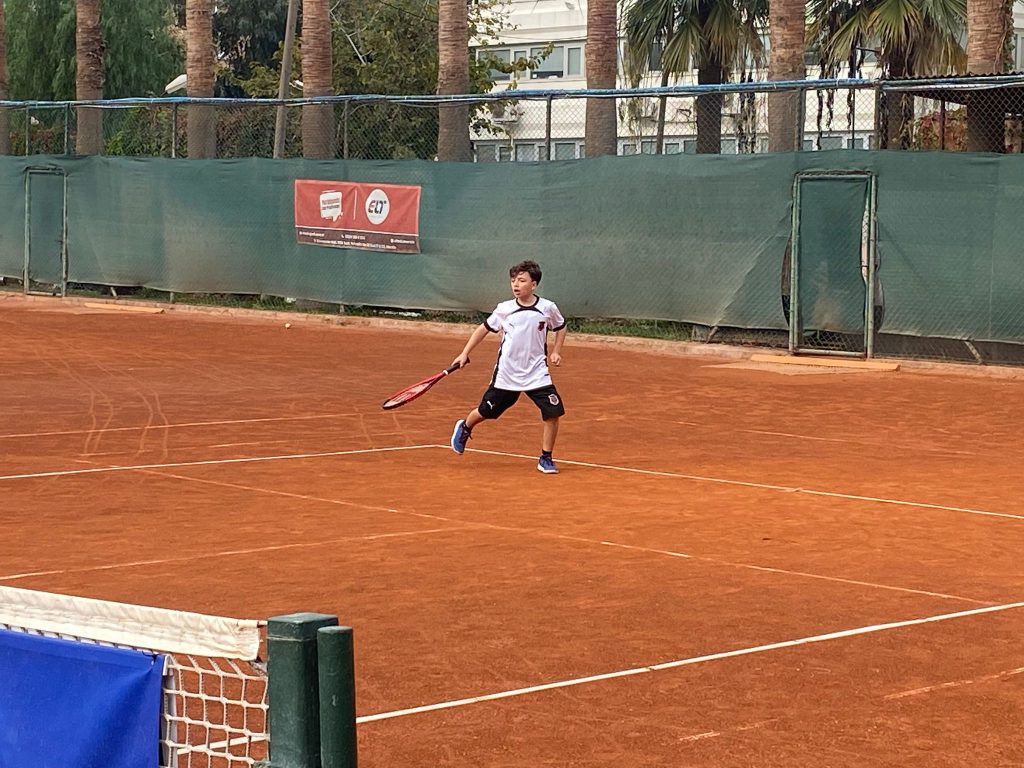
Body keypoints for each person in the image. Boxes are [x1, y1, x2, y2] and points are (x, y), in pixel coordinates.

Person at [450, 260, 567, 474]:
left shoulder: (547, 308)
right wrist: (464, 353)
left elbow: (561, 326)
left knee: (553, 412)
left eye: (521, 280)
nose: (515, 285)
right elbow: (483, 329)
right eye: (513, 280)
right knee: (487, 411)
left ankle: (546, 458)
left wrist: (556, 351)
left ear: (534, 284)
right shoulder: (504, 309)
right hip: (507, 373)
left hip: (537, 373)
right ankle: (465, 426)